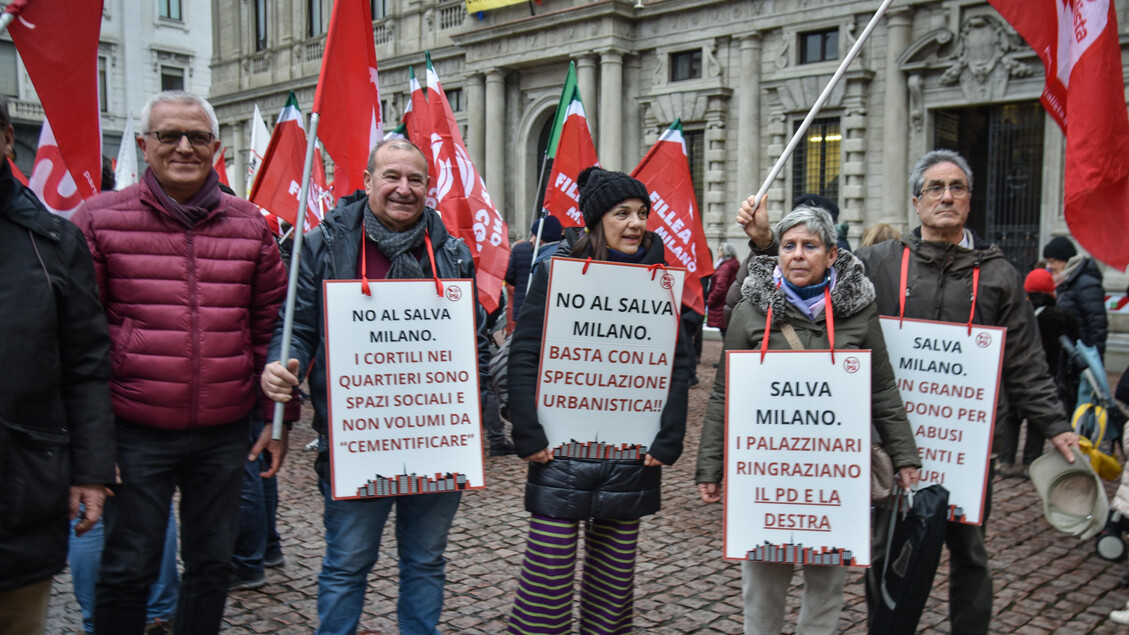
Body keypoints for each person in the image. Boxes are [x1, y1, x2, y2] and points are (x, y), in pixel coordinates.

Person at [833, 148, 1078, 634]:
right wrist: (762, 242)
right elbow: (808, 276)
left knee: (970, 552)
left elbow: (1026, 361)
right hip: (895, 438)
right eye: (935, 188)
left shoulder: (1000, 274)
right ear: (916, 201)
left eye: (956, 188)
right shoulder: (877, 263)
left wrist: (1055, 424)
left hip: (964, 443)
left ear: (969, 200)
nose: (946, 196)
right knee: (885, 547)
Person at [72, 90, 289, 635]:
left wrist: (273, 415)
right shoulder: (96, 221)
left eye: (197, 137)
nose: (184, 147)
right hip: (134, 431)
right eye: (169, 136)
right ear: (145, 145)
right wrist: (90, 450)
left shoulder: (251, 225)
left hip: (224, 431)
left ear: (216, 147)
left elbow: (272, 326)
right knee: (127, 567)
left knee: (212, 565)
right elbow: (78, 344)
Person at [260, 139, 492, 635]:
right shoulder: (324, 244)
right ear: (367, 182)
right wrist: (282, 365)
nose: (403, 189)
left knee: (426, 562)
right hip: (357, 439)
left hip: (435, 441)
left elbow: (473, 339)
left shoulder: (452, 252)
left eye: (415, 179)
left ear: (429, 188)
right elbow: (295, 327)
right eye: (392, 177)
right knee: (346, 564)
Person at [695, 205, 920, 635]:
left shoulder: (859, 312)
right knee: (762, 584)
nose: (797, 255)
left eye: (809, 246)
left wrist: (904, 455)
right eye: (789, 246)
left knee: (826, 586)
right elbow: (725, 394)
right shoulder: (749, 312)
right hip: (767, 473)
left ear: (831, 255)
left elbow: (883, 388)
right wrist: (710, 466)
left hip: (833, 476)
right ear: (777, 253)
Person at [506, 167, 691, 634]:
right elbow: (526, 352)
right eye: (622, 213)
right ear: (595, 220)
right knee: (545, 580)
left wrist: (668, 435)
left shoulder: (660, 281)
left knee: (613, 586)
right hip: (560, 451)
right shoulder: (556, 272)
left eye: (642, 213)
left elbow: (677, 364)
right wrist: (528, 430)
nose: (635, 223)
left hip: (631, 455)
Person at [0, 93, 116, 635]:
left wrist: (92, 469)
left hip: (19, 488)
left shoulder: (52, 242)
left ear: (6, 141)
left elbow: (87, 363)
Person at [66, 158, 181, 635]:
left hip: (147, 402)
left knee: (143, 509)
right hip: (109, 399)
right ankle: (118, 616)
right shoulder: (87, 222)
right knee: (97, 507)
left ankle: (148, 613)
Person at [995, 268, 1081, 476]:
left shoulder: (1014, 313)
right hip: (1049, 376)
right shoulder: (1063, 317)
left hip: (1013, 373)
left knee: (1011, 418)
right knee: (1038, 420)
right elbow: (1075, 343)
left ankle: (1005, 460)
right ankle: (1030, 463)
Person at [1042, 236, 1108, 358]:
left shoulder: (1086, 283)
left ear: (1064, 260)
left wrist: (1093, 359)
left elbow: (1097, 326)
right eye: (1047, 262)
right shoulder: (1062, 282)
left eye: (1052, 261)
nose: (1048, 266)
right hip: (1067, 355)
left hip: (1081, 355)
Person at [505, 214, 563, 321]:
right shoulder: (557, 253)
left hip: (533, 315)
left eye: (533, 235)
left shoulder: (544, 260)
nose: (530, 240)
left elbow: (509, 276)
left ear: (542, 238)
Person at [706, 242, 739, 341]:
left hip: (721, 304)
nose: (718, 252)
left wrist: (710, 300)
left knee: (725, 334)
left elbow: (720, 287)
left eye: (719, 250)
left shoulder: (725, 267)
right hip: (727, 302)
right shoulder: (733, 264)